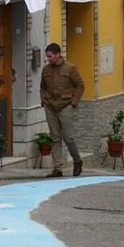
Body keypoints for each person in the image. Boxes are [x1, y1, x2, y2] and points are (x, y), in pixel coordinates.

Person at [39, 42, 85, 177]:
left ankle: (77, 161)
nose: (48, 59)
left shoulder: (70, 68)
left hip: (65, 106)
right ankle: (58, 168)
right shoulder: (46, 70)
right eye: (47, 57)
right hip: (50, 106)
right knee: (55, 138)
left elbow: (80, 85)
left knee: (68, 137)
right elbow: (42, 87)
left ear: (58, 54)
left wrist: (74, 103)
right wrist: (43, 101)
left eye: (50, 56)